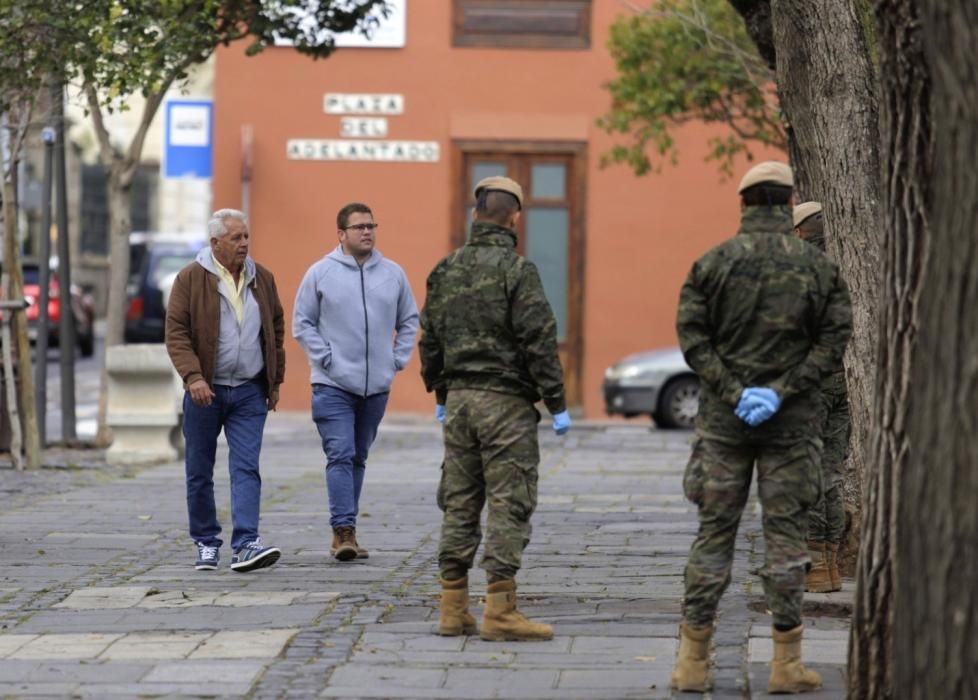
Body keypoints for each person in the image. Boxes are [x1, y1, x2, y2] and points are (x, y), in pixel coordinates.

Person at [671, 163, 852, 693]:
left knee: (714, 536)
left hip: (725, 424)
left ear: (744, 204)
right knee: (787, 538)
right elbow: (834, 339)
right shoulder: (816, 267)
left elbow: (692, 337)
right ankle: (785, 663)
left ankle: (691, 662)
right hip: (792, 424)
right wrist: (782, 389)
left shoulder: (713, 264)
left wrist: (733, 390)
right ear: (787, 201)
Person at [419, 176, 571, 642]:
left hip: (461, 402)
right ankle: (501, 611)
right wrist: (558, 403)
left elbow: (430, 340)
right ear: (515, 219)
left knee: (460, 501)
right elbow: (538, 340)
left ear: (475, 215)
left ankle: (452, 607)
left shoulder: (445, 270)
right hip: (505, 405)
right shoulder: (517, 271)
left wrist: (443, 396)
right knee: (510, 500)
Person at [293, 202, 419, 562]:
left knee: (358, 456)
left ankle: (346, 531)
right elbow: (303, 322)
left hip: (376, 385)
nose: (367, 232)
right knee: (341, 453)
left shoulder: (393, 274)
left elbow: (409, 319)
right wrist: (326, 357)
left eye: (371, 225)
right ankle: (343, 530)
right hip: (332, 384)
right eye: (359, 226)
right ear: (341, 234)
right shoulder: (320, 273)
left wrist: (396, 359)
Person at [165, 208, 285, 573]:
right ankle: (205, 542)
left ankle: (247, 542)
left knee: (247, 466)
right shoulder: (190, 279)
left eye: (246, 236)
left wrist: (274, 381)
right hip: (206, 390)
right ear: (215, 243)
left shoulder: (261, 278)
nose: (245, 243)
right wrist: (193, 377)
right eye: (237, 238)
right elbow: (176, 334)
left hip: (249, 390)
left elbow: (275, 329)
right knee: (199, 469)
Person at [793, 201, 850, 594]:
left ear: (800, 232)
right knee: (831, 475)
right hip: (840, 382)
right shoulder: (846, 263)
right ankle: (829, 567)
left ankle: (815, 568)